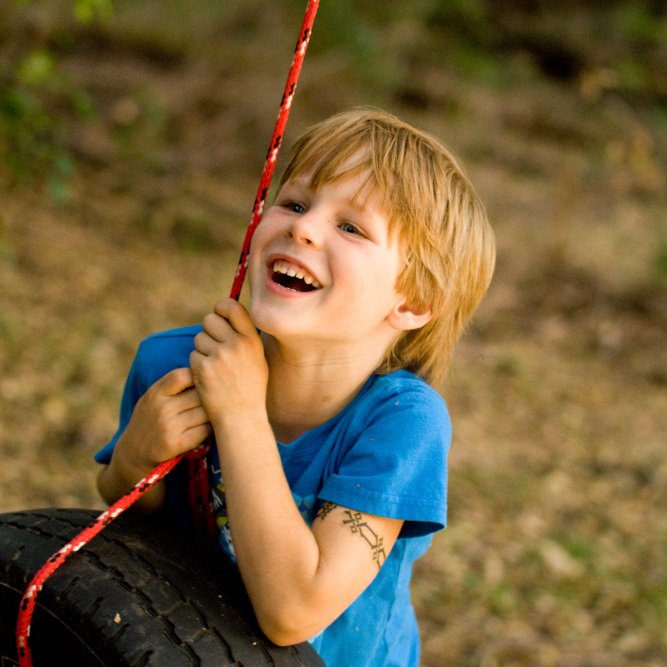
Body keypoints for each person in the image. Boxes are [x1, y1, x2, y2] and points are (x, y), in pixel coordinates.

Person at [95, 107, 496, 666]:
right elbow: (132, 530)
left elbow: (294, 613)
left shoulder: (402, 425)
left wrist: (240, 413)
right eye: (295, 203)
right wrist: (132, 463)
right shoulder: (172, 363)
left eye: (351, 227)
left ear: (413, 301)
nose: (303, 228)